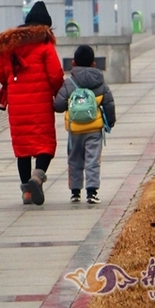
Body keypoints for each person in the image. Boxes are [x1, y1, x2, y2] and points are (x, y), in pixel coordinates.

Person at [0, 0, 64, 206]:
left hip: (16, 104)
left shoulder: (10, 45)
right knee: (45, 143)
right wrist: (59, 92)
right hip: (40, 102)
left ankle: (27, 193)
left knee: (22, 148)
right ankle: (37, 178)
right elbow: (56, 74)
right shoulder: (44, 44)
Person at [54, 44, 116, 205]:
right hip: (94, 129)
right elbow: (109, 104)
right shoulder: (100, 83)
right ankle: (92, 192)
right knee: (93, 160)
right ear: (94, 64)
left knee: (74, 159)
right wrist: (110, 122)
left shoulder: (69, 83)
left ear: (73, 63)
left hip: (75, 130)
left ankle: (75, 192)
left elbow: (59, 106)